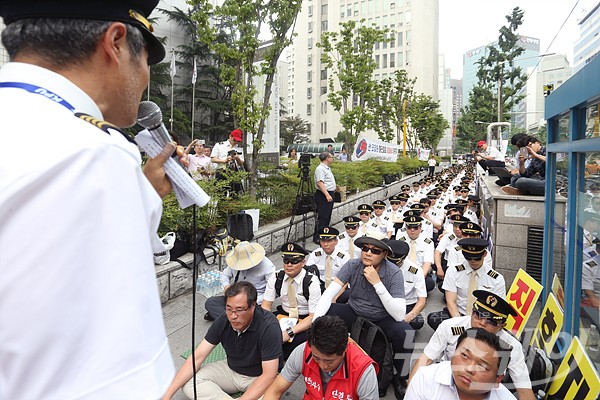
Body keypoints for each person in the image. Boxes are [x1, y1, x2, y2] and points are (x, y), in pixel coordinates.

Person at [0, 2, 179, 398]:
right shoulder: (90, 153)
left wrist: (142, 191)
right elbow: (113, 380)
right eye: (147, 59)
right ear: (115, 42)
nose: (146, 79)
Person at [313, 231, 414, 398]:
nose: (368, 253)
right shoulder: (353, 265)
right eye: (365, 248)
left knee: (407, 333)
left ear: (385, 254)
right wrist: (314, 324)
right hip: (355, 312)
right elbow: (329, 294)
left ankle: (401, 377)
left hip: (382, 317)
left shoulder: (394, 272)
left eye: (375, 250)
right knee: (327, 315)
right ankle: (329, 361)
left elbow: (399, 314)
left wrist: (377, 283)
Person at [163, 282, 282, 400]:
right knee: (189, 382)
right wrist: (167, 395)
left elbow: (269, 375)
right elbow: (197, 357)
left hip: (258, 377)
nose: (233, 316)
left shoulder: (269, 326)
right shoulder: (223, 320)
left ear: (253, 306)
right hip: (231, 370)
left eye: (239, 310)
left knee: (271, 396)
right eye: (229, 309)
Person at [410, 291, 534, 400]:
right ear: (472, 311)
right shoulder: (449, 327)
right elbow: (425, 359)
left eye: (491, 321)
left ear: (502, 325)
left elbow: (524, 391)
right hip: (447, 381)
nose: (481, 323)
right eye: (478, 315)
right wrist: (411, 390)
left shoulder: (512, 347)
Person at [263, 315, 379, 400]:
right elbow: (274, 390)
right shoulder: (304, 351)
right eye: (316, 358)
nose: (323, 366)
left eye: (329, 361)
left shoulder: (363, 371)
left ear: (344, 350)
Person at [406, 328, 515, 400]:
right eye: (465, 356)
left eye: (482, 366)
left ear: (498, 379)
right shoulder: (426, 378)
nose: (469, 368)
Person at [427, 238, 506, 331]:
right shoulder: (454, 271)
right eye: (468, 257)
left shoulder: (496, 279)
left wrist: (481, 323)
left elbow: (498, 309)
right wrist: (460, 324)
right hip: (458, 314)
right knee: (434, 318)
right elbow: (451, 301)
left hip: (483, 320)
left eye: (477, 258)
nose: (472, 261)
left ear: (484, 254)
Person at [261, 243, 322, 359]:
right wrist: (270, 326)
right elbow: (266, 306)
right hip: (283, 316)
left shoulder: (311, 282)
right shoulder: (276, 277)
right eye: (286, 261)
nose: (289, 265)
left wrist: (288, 332)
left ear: (303, 263)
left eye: (294, 261)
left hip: (304, 320)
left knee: (293, 347)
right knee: (262, 335)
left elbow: (313, 317)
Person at [204, 241, 275, 321]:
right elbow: (224, 275)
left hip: (255, 301)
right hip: (236, 296)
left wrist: (252, 301)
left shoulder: (267, 266)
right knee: (210, 302)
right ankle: (232, 319)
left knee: (254, 313)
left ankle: (226, 319)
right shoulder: (234, 263)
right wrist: (227, 287)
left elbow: (272, 289)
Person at [384, 239, 427, 330]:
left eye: (395, 263)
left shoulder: (415, 271)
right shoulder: (381, 264)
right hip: (384, 302)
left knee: (417, 322)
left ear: (403, 258)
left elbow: (422, 300)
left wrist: (408, 317)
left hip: (406, 304)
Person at [313, 151, 337, 243]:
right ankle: (317, 237)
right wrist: (327, 194)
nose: (332, 158)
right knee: (323, 217)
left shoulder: (326, 168)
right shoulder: (320, 169)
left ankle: (324, 234)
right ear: (327, 158)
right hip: (323, 195)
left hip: (329, 193)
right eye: (331, 157)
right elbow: (320, 183)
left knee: (327, 216)